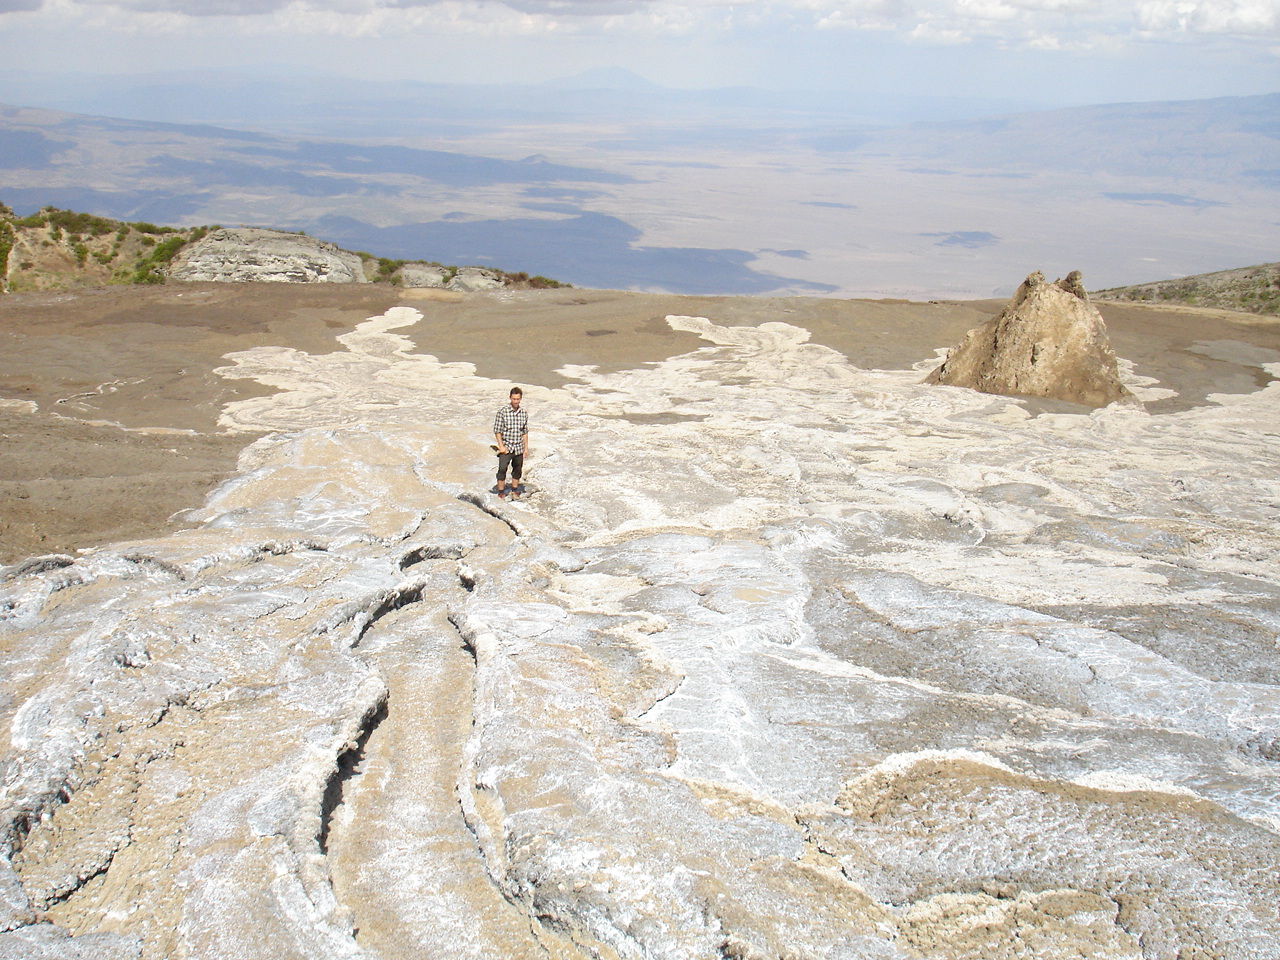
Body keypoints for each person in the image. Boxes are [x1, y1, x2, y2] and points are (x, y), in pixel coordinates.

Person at [493, 386, 529, 499]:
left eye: (518, 399)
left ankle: (514, 490)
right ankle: (501, 492)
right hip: (507, 447)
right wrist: (501, 446)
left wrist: (526, 448)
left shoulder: (523, 413)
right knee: (502, 469)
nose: (516, 401)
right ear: (510, 398)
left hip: (518, 447)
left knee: (517, 469)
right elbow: (497, 430)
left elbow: (524, 432)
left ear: (521, 399)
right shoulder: (502, 412)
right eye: (514, 399)